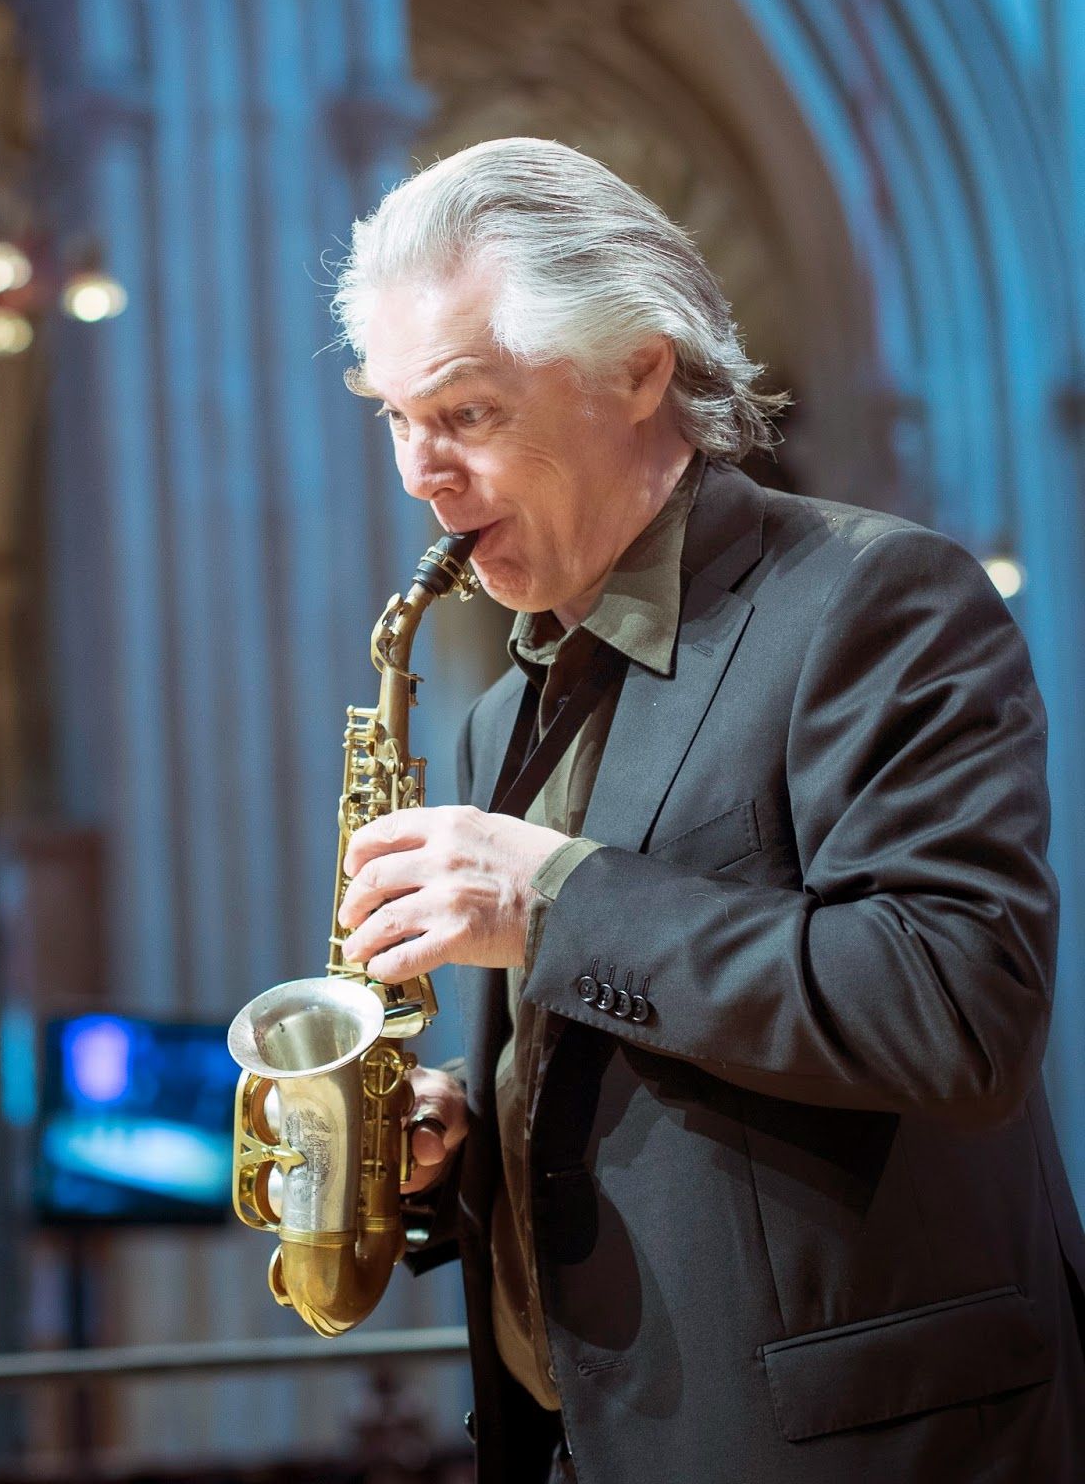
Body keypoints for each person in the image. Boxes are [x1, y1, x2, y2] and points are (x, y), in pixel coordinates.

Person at [329, 138, 1085, 1484]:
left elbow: (960, 1010)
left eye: (466, 412)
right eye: (393, 415)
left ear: (639, 370)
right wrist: (468, 1145)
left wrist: (552, 901)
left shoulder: (875, 600)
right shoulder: (503, 713)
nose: (416, 473)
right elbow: (656, 1075)